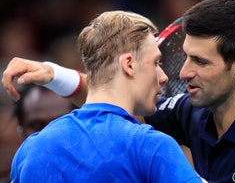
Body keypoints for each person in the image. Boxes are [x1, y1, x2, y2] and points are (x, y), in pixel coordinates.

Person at [2, 0, 235, 182]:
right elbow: (110, 94)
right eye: (185, 57)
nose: (182, 73)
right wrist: (53, 74)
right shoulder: (186, 115)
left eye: (201, 62)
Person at [4, 11, 204, 182]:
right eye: (156, 63)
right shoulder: (151, 147)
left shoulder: (30, 149)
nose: (164, 77)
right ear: (129, 64)